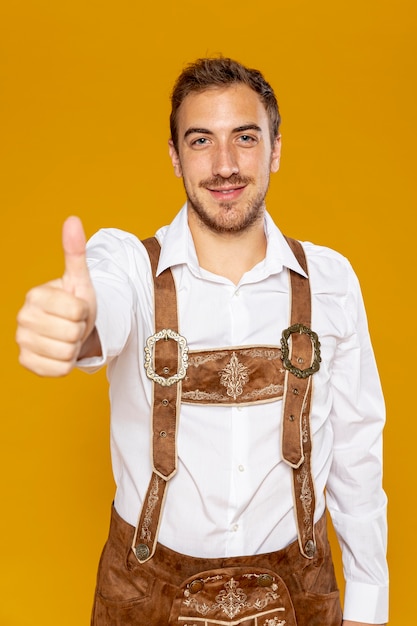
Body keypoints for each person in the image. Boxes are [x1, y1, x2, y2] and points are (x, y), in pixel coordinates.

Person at [16, 57, 388, 626]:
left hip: (302, 597)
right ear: (174, 157)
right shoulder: (132, 270)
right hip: (143, 598)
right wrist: (76, 321)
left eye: (245, 137)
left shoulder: (331, 280)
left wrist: (368, 606)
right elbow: (100, 303)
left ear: (276, 149)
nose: (224, 165)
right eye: (200, 141)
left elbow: (358, 452)